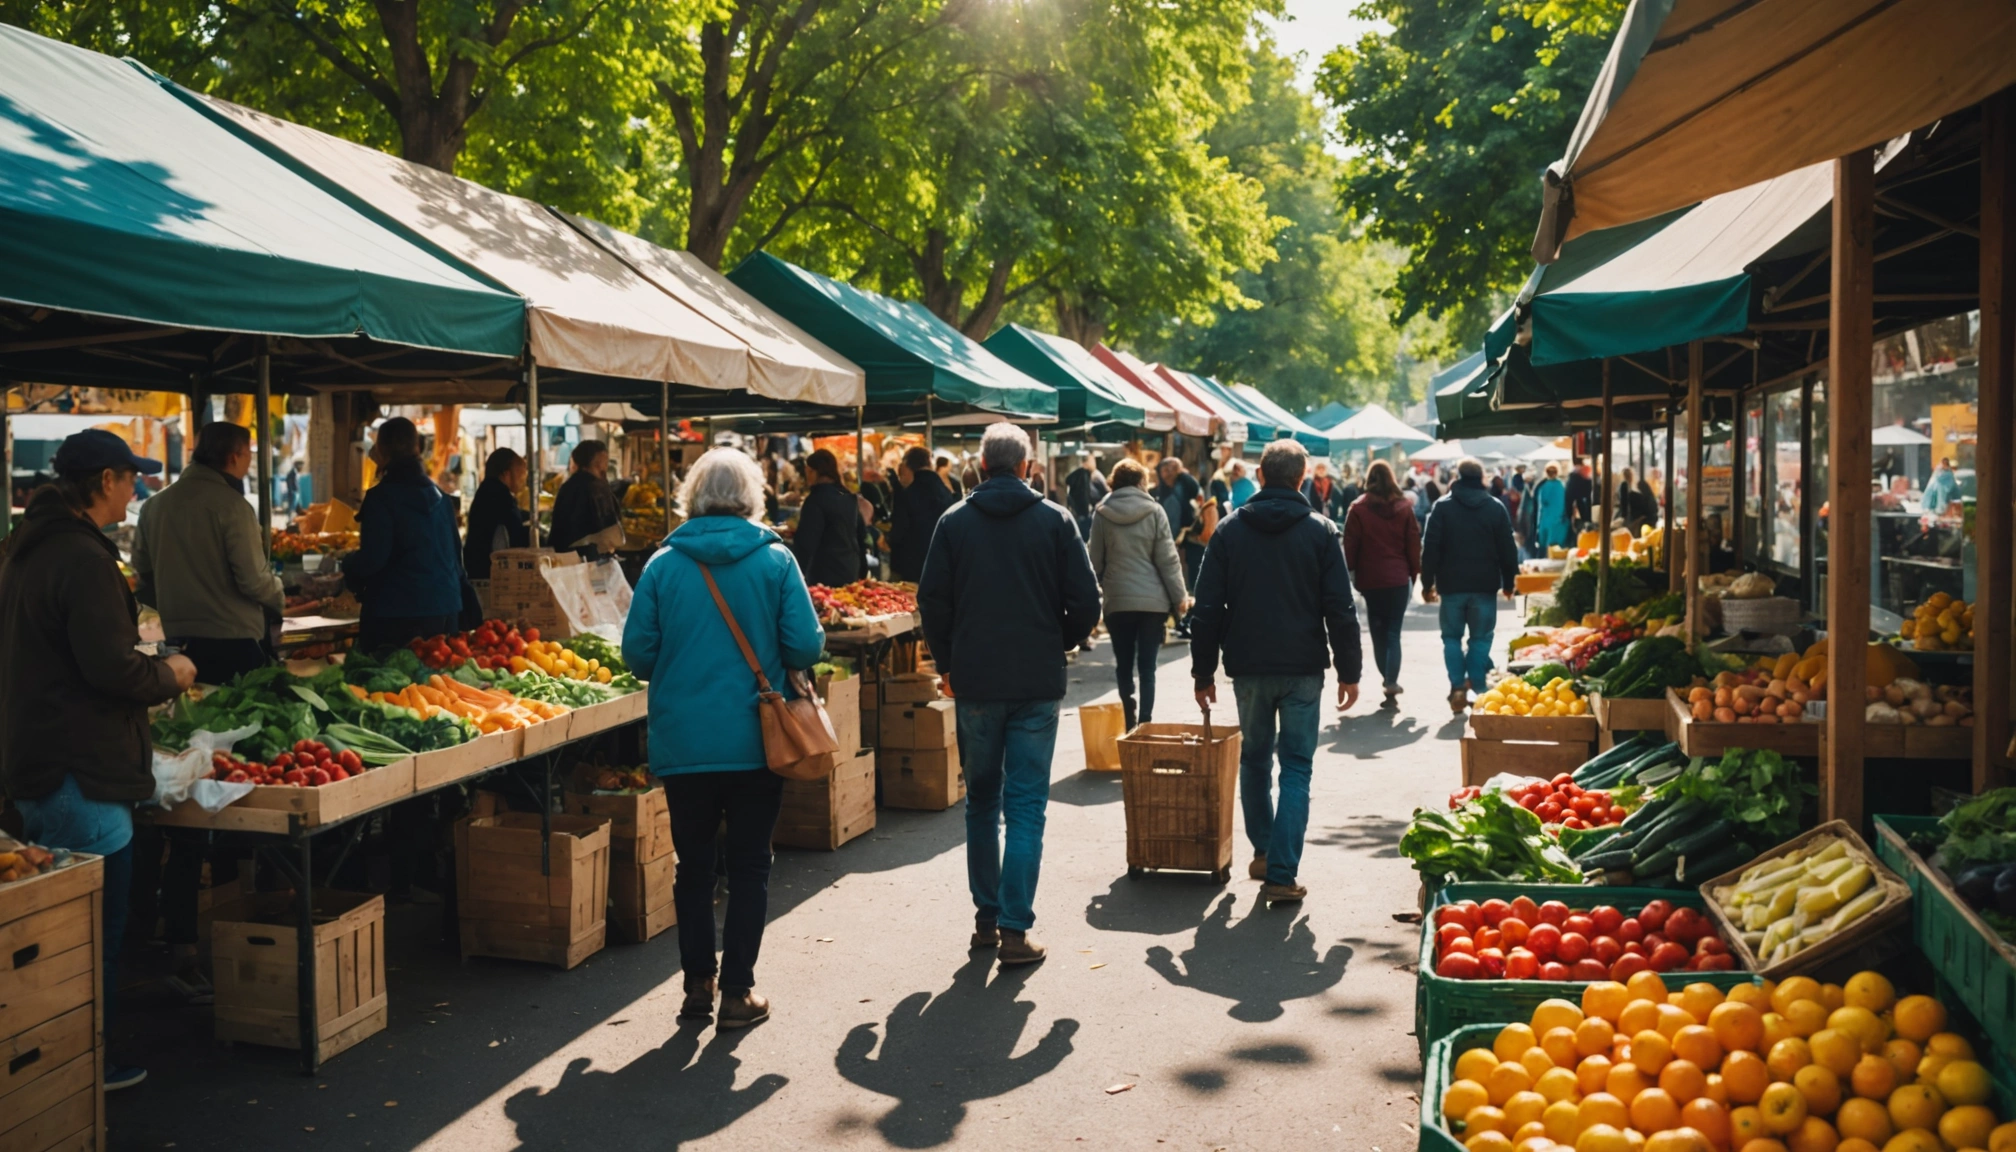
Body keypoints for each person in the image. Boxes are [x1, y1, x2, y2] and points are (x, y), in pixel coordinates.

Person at [0, 430, 198, 1092]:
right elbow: (110, 670)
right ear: (105, 480)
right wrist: (170, 672)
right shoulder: (80, 561)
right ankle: (82, 1062)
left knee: (46, 931)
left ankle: (50, 1058)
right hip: (77, 770)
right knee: (85, 933)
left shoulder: (26, 549)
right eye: (130, 478)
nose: (136, 489)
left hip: (40, 757)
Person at [623, 448, 824, 1029]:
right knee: (751, 866)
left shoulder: (663, 565)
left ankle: (695, 986)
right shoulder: (776, 561)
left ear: (694, 494)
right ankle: (738, 992)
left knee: (693, 866)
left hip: (684, 742)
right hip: (757, 738)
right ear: (752, 495)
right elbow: (806, 648)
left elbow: (637, 654)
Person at [917, 423, 1100, 966]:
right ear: (1026, 465)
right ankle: (1016, 930)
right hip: (1036, 682)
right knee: (1024, 806)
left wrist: (948, 661)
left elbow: (933, 601)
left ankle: (986, 918)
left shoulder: (954, 523)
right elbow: (1087, 601)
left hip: (975, 681)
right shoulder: (1055, 520)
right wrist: (1059, 639)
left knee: (981, 802)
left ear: (980, 464)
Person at [1190, 439, 1362, 903]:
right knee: (1297, 768)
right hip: (1304, 666)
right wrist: (1350, 670)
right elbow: (1340, 608)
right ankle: (1282, 873)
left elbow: (1206, 609)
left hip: (1247, 666)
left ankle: (1264, 850)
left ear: (1261, 476)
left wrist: (1202, 673)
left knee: (1254, 760)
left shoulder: (1228, 532)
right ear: (1301, 479)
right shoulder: (1321, 531)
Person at [132, 421, 285, 685]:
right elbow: (254, 580)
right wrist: (280, 595)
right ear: (233, 456)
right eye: (248, 454)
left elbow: (143, 570)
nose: (249, 462)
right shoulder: (233, 507)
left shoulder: (154, 505)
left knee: (194, 719)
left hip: (177, 641)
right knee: (238, 719)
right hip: (233, 641)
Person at [343, 418, 468, 652]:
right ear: (418, 448)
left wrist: (347, 565)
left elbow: (372, 559)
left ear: (381, 450)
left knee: (393, 683)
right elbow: (456, 557)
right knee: (438, 684)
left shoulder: (381, 499)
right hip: (446, 609)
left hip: (399, 615)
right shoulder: (441, 499)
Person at [1087, 458, 1189, 729]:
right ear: (1141, 481)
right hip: (1153, 604)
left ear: (1114, 482)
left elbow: (1093, 561)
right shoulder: (1155, 511)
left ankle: (1129, 714)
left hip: (1117, 601)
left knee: (1123, 664)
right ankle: (1145, 722)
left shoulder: (1102, 513)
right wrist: (1180, 597)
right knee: (1147, 667)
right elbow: (1168, 560)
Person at [1421, 458, 1520, 714]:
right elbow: (1508, 550)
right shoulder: (1495, 507)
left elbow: (1430, 549)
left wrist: (1426, 583)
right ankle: (1477, 687)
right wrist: (1509, 583)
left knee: (1451, 638)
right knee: (1480, 639)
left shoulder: (1442, 508)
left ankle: (1457, 687)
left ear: (1457, 476)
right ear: (1482, 478)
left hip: (1451, 586)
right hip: (1484, 586)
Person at [1343, 460, 1420, 709]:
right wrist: (1414, 574)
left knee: (1378, 633)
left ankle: (1387, 679)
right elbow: (1413, 545)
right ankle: (1391, 680)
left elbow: (1350, 545)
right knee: (1393, 632)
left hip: (1371, 580)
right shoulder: (1404, 507)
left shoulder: (1358, 509)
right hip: (1398, 579)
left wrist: (1352, 573)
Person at [790, 448, 865, 588]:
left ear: (814, 471)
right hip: (851, 569)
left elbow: (806, 542)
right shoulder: (848, 497)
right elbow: (861, 535)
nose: (807, 477)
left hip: (825, 574)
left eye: (808, 472)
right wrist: (863, 570)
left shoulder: (815, 500)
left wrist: (796, 575)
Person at [1151, 457, 1204, 635]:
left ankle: (1185, 618)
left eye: (1166, 471)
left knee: (1181, 579)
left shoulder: (1178, 488)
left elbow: (1174, 516)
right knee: (1187, 579)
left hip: (1183, 540)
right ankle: (1184, 617)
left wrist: (1169, 542)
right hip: (1189, 540)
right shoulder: (1187, 482)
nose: (1163, 475)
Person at [889, 446, 957, 582]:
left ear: (907, 466)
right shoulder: (946, 492)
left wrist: (888, 541)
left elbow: (899, 531)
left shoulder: (908, 495)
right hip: (942, 565)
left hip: (912, 568)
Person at [546, 440, 622, 558]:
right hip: (582, 557)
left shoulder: (593, 484)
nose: (605, 466)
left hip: (584, 555)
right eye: (602, 461)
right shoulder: (585, 487)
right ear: (593, 463)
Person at [463, 448, 531, 580]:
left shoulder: (488, 491)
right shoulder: (499, 497)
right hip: (488, 574)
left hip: (477, 569)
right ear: (506, 474)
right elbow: (514, 534)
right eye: (520, 474)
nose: (523, 479)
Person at [1062, 453, 1106, 541]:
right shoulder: (1088, 476)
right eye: (1092, 460)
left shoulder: (1091, 475)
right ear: (1085, 463)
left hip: (1082, 515)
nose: (1094, 463)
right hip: (1088, 515)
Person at [1565, 460, 1594, 529]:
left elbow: (1569, 501)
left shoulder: (1572, 481)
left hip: (1581, 515)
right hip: (1583, 515)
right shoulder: (1584, 482)